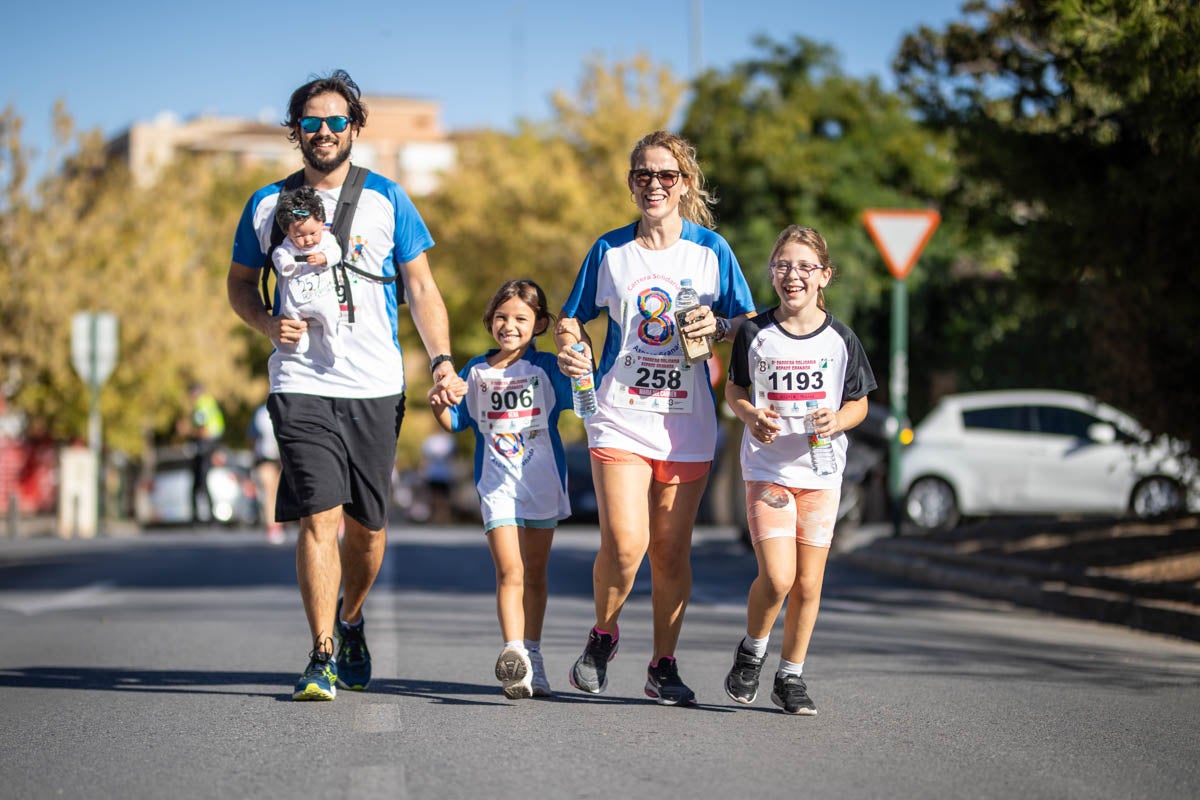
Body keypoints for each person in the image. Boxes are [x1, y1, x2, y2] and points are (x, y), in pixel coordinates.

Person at [226, 70, 463, 702]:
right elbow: (240, 287)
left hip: (376, 384)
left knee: (368, 529)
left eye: (336, 122)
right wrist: (267, 322)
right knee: (318, 517)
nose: (323, 132)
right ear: (296, 131)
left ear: (355, 129)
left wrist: (441, 361)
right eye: (311, 122)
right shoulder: (265, 205)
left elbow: (422, 289)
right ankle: (322, 652)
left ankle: (351, 618)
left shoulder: (389, 198)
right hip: (300, 381)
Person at [555, 130, 756, 706]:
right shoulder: (611, 251)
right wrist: (572, 346)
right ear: (631, 183)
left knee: (670, 551)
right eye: (642, 175)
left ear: (683, 183)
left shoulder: (710, 250)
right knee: (625, 543)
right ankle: (603, 635)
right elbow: (571, 318)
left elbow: (745, 320)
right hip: (619, 413)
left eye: (665, 175)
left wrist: (717, 328)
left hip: (686, 420)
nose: (653, 185)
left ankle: (662, 664)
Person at [722, 224, 877, 715]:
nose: (794, 275)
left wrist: (837, 420)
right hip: (768, 470)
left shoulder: (841, 339)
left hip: (821, 473)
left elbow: (859, 405)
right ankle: (752, 649)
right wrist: (750, 415)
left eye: (805, 267)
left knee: (810, 584)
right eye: (783, 266)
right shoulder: (754, 332)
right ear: (772, 274)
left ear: (824, 276)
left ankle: (790, 677)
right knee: (779, 576)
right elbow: (734, 391)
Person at [429, 279, 573, 699]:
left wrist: (577, 355)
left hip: (542, 480)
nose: (509, 326)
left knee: (537, 575)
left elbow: (583, 395)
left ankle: (534, 654)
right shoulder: (474, 370)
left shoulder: (547, 368)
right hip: (496, 485)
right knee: (510, 571)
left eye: (521, 319)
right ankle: (514, 657)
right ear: (490, 321)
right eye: (501, 317)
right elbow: (458, 423)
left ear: (539, 323)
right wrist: (439, 402)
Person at [271, 185, 344, 364]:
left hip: (322, 295)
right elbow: (278, 255)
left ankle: (331, 336)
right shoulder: (288, 245)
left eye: (313, 233)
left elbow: (336, 252)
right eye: (300, 236)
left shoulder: (326, 241)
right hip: (296, 298)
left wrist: (324, 257)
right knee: (290, 312)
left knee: (331, 314)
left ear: (321, 224)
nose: (308, 239)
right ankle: (301, 337)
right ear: (288, 232)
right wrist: (287, 265)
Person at [177, 382, 225, 524]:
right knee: (202, 480)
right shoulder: (209, 402)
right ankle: (206, 514)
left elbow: (202, 428)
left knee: (200, 480)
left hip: (205, 444)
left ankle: (202, 515)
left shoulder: (201, 405)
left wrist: (186, 431)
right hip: (212, 443)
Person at [248, 402, 284, 544]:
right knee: (270, 492)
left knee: (278, 491)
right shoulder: (261, 413)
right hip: (266, 459)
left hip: (281, 458)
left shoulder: (284, 407)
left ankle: (279, 524)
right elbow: (252, 436)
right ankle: (272, 526)